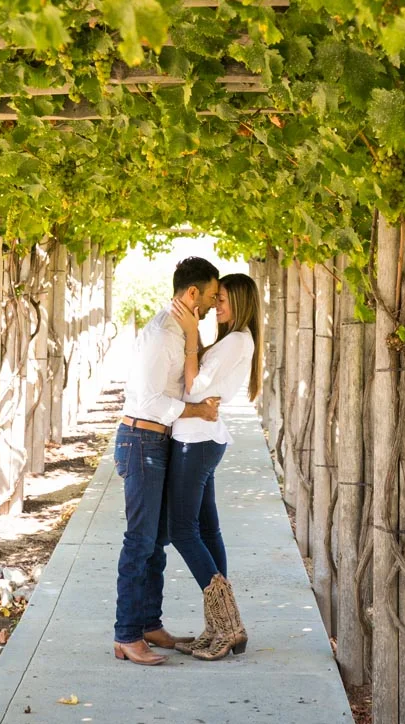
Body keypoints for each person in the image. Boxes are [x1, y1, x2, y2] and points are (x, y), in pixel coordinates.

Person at [113, 257, 221, 666]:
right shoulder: (162, 334)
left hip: (156, 442)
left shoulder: (180, 331)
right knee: (139, 541)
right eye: (211, 295)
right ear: (192, 293)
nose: (213, 303)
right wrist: (199, 413)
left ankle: (148, 624)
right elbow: (154, 400)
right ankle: (126, 635)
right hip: (141, 440)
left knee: (156, 542)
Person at [167, 272, 263, 661]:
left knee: (181, 530)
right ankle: (221, 626)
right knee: (207, 530)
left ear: (240, 304)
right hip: (203, 440)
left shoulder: (236, 341)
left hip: (196, 442)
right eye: (216, 298)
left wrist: (191, 336)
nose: (215, 306)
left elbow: (192, 390)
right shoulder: (234, 341)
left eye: (222, 299)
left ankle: (227, 625)